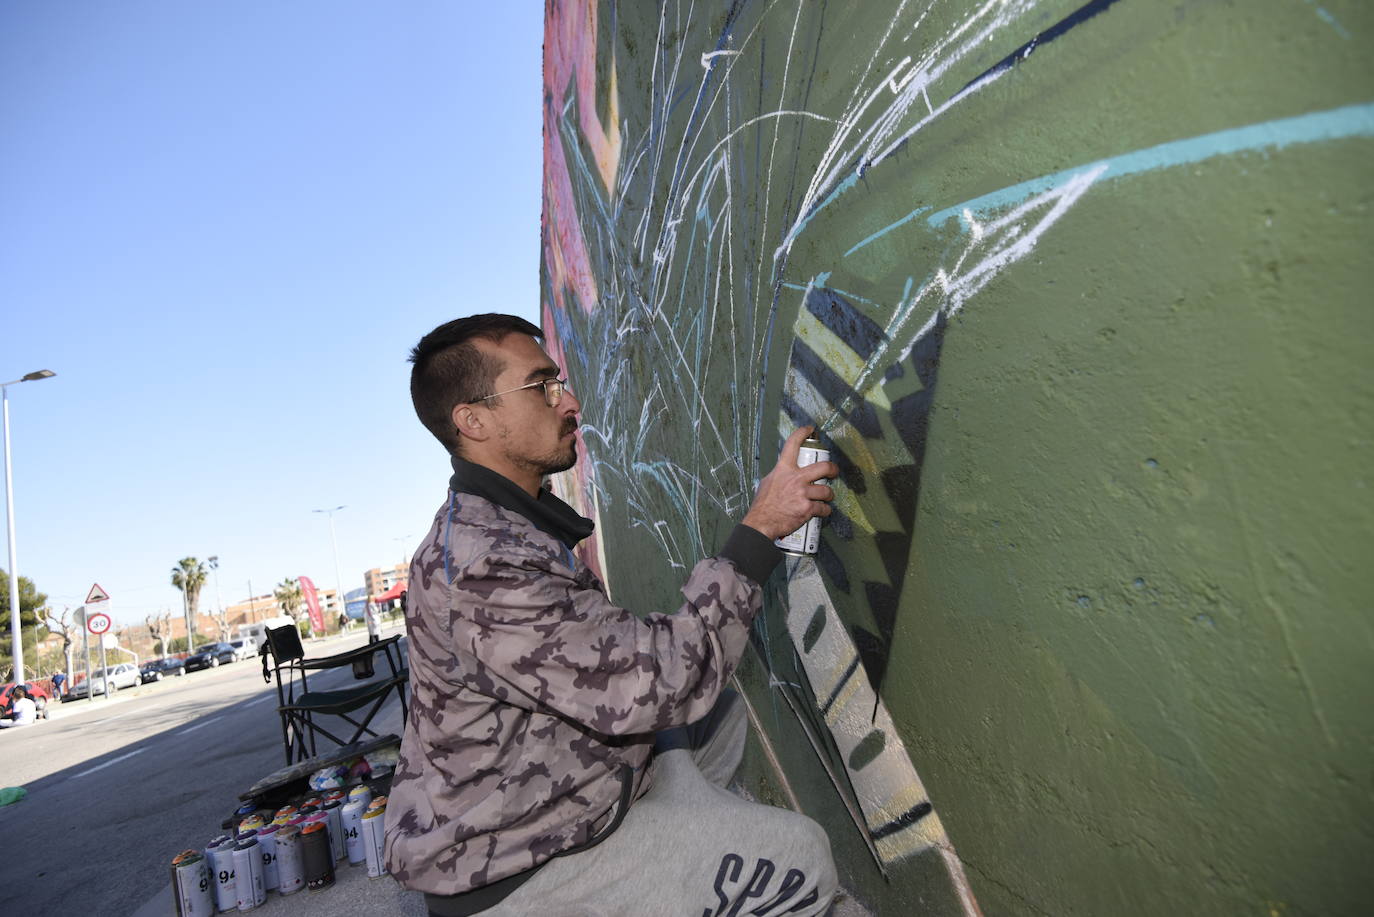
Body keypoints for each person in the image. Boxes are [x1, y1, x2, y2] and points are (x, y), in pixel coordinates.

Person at [385, 315, 842, 917]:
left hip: (549, 800)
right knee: (799, 862)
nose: (568, 402)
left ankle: (683, 862)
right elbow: (653, 684)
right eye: (541, 387)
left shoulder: (503, 524)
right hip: (513, 867)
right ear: (475, 420)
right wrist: (759, 531)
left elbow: (619, 662)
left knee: (716, 715)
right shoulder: (482, 564)